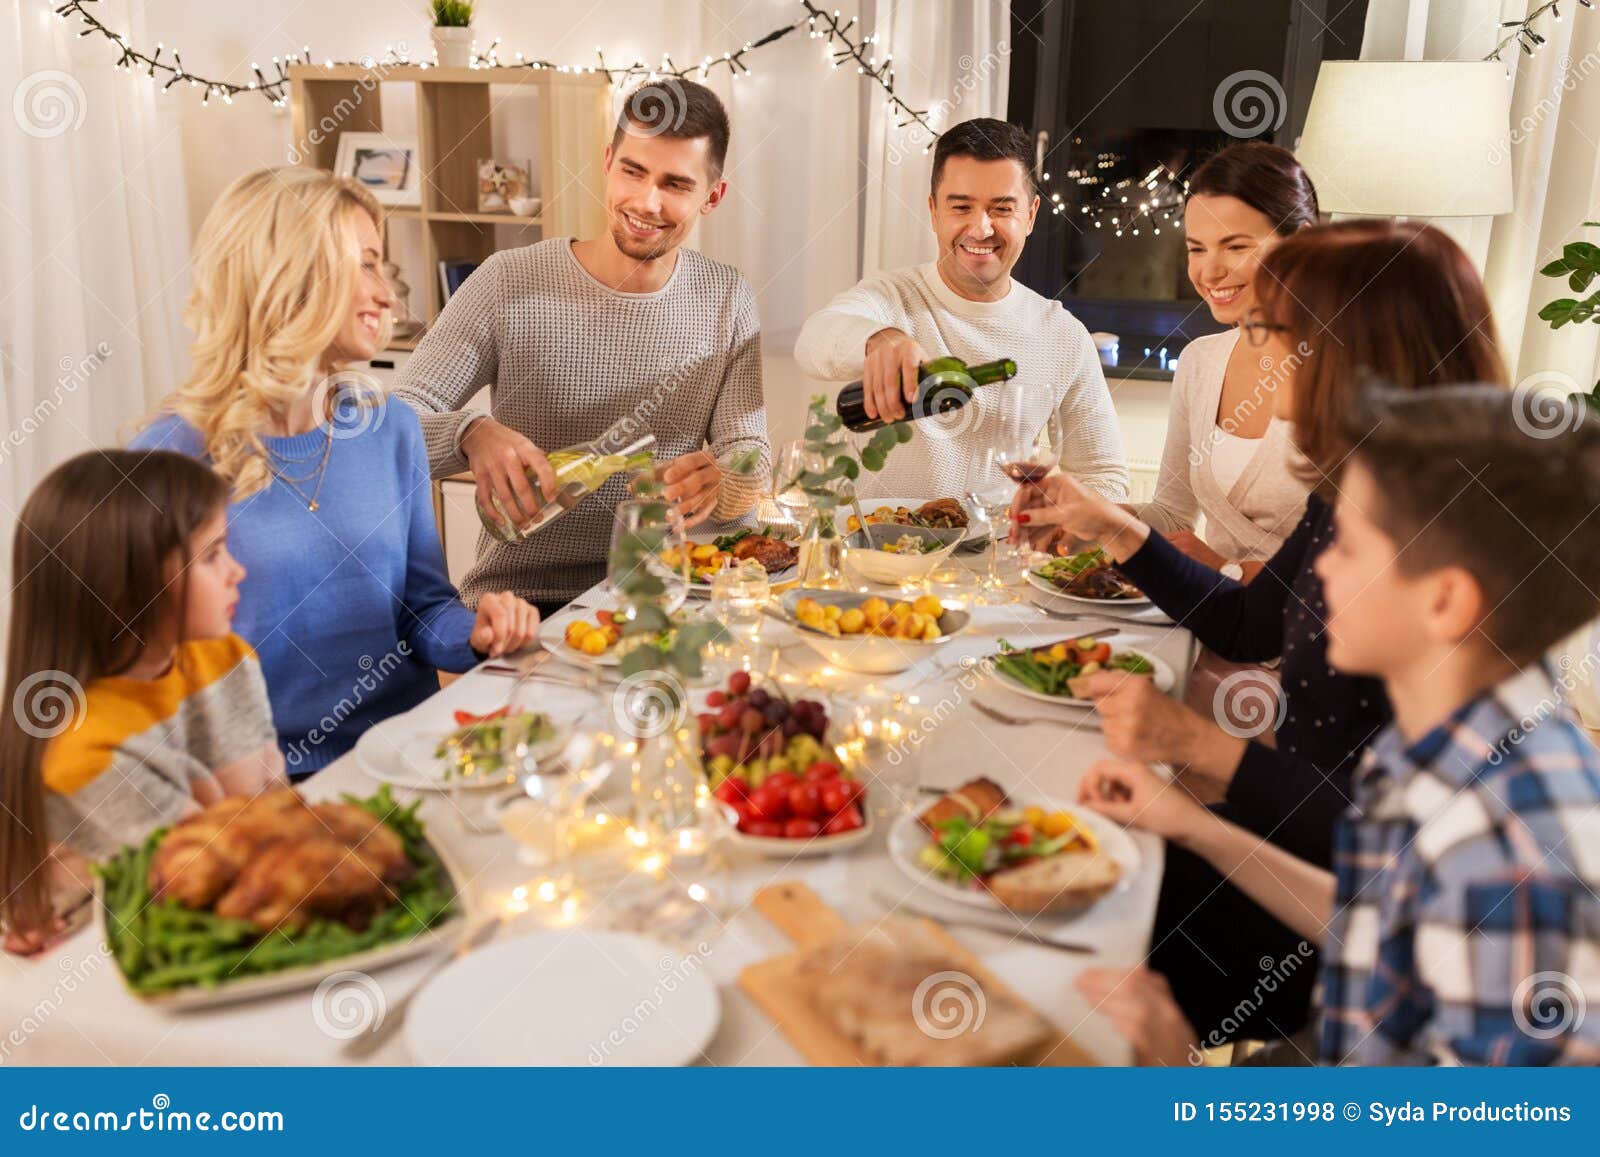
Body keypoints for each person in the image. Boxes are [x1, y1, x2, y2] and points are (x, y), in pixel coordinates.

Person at [1013, 219, 1508, 1042]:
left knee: (1066, 938)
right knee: (1066, 855)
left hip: (1348, 909)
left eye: (1278, 331)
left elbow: (1407, 837)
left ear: (1348, 352)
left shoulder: (1442, 549)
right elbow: (1248, 624)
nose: (1259, 348)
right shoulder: (1357, 481)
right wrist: (1108, 524)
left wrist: (1199, 747)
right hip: (1299, 838)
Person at [1076, 385, 1600, 1065]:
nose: (1318, 568)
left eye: (1348, 547)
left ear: (1445, 601)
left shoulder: (1507, 864)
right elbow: (1377, 917)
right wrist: (1191, 823)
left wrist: (1176, 1078)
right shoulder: (1441, 734)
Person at [132, 168, 538, 776]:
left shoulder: (389, 428)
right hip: (261, 787)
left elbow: (422, 607)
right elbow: (144, 672)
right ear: (291, 274)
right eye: (367, 265)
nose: (389, 296)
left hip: (412, 755)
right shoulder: (170, 457)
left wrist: (475, 633)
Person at [392, 78, 770, 615]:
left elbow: (751, 458)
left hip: (663, 595)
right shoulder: (508, 280)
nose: (646, 201)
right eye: (633, 172)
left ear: (712, 196)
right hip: (520, 602)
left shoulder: (727, 298)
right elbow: (392, 425)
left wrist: (724, 482)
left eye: (676, 184)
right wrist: (468, 432)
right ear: (608, 160)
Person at [1, 451, 285, 956]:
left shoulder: (223, 658)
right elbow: (207, 885)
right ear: (127, 584)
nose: (237, 571)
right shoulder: (87, 750)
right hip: (112, 964)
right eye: (213, 554)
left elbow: (275, 803)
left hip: (239, 908)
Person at [793, 117, 1127, 501]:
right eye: (961, 207)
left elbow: (1104, 476)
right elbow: (812, 343)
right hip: (876, 551)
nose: (981, 229)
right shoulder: (889, 296)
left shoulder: (1062, 335)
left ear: (1031, 215)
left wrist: (1048, 516)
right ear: (934, 212)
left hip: (993, 554)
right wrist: (880, 340)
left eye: (1001, 209)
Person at [1143, 141, 1318, 577]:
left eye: (1236, 247)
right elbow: (1172, 515)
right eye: (1196, 249)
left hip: (1312, 640)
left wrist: (1225, 568)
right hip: (1216, 626)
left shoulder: (1347, 371)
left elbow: (1368, 570)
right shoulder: (1199, 362)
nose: (1209, 271)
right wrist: (1090, 517)